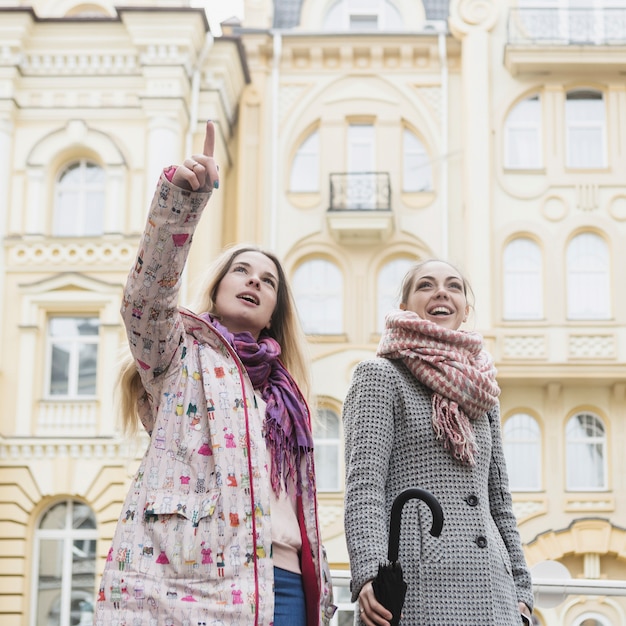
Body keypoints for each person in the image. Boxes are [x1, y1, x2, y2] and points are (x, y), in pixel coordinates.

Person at [95, 121, 335, 626]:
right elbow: (143, 301)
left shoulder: (286, 392)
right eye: (242, 271)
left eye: (268, 281)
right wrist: (181, 200)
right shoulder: (179, 355)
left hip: (287, 582)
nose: (254, 281)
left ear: (273, 311)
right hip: (192, 580)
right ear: (219, 286)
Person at [343, 259, 533, 625]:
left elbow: (499, 500)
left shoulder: (483, 393)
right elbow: (364, 487)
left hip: (495, 591)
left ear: (465, 310)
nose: (441, 292)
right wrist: (368, 572)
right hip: (416, 585)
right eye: (426, 285)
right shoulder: (380, 376)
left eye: (454, 286)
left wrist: (523, 592)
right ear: (404, 308)